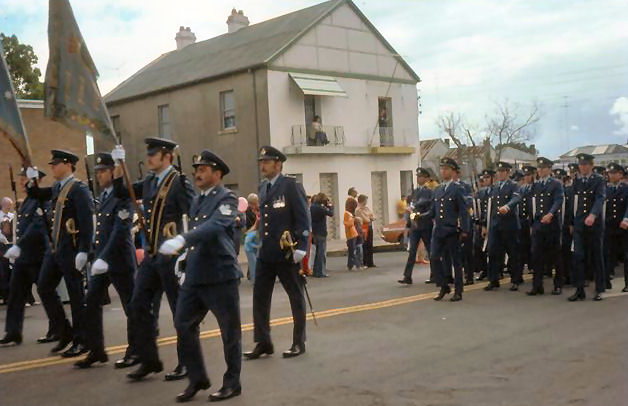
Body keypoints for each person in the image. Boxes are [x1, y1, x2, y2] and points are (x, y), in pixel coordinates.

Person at [159, 150, 242, 402]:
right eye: (196, 169)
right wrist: (184, 256)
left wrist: (183, 239)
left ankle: (232, 383)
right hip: (195, 274)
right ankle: (197, 378)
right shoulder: (196, 200)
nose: (197, 173)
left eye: (203, 169)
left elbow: (215, 226)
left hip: (220, 274)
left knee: (230, 332)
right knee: (182, 323)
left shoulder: (227, 198)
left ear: (217, 174)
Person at [111, 138, 195, 380]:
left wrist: (188, 249)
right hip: (151, 256)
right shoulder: (148, 181)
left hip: (172, 256)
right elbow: (121, 190)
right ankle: (149, 359)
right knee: (137, 304)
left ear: (167, 156)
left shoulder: (178, 182)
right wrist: (119, 163)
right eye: (148, 153)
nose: (149, 157)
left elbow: (195, 215)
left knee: (181, 312)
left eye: (154, 154)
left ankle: (187, 363)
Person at [244, 146, 310, 360]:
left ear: (278, 164)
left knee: (295, 296)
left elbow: (303, 217)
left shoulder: (290, 185)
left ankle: (298, 342)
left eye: (266, 161)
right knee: (260, 297)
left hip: (286, 252)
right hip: (266, 252)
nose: (262, 165)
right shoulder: (263, 187)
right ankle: (263, 342)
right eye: (261, 161)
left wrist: (302, 247)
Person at [25, 150, 94, 358]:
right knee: (44, 287)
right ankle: (65, 331)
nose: (53, 167)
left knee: (76, 297)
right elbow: (36, 195)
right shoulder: (57, 187)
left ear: (68, 165)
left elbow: (87, 222)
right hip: (55, 250)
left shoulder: (78, 190)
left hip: (72, 251)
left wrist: (84, 251)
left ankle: (83, 340)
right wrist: (31, 180)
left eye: (55, 164)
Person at [74, 152, 138, 368]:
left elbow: (121, 231)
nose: (99, 175)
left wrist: (104, 258)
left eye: (103, 171)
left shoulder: (123, 195)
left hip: (119, 260)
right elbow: (100, 230)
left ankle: (135, 350)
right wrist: (88, 251)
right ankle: (96, 349)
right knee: (90, 303)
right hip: (102, 259)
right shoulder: (103, 196)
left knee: (131, 307)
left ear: (113, 171)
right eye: (97, 172)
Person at [1, 169, 49, 346]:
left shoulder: (40, 200)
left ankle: (60, 328)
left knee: (46, 292)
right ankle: (13, 332)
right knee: (15, 295)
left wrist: (18, 246)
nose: (21, 182)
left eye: (24, 179)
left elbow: (37, 227)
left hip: (36, 256)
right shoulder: (28, 201)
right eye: (21, 179)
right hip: (23, 257)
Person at [430, 158, 470, 302]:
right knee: (434, 257)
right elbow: (432, 211)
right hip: (439, 230)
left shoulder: (457, 188)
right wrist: (418, 216)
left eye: (446, 169)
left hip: (452, 230)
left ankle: (458, 291)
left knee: (456, 262)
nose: (443, 171)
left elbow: (463, 211)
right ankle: (443, 285)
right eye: (442, 169)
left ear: (453, 171)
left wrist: (465, 230)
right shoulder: (438, 189)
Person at [568, 153, 606, 301]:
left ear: (591, 165)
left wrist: (593, 215)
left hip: (594, 224)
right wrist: (571, 222)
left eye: (585, 164)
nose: (582, 167)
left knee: (596, 256)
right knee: (578, 256)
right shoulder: (576, 180)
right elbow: (573, 202)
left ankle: (599, 289)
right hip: (579, 225)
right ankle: (579, 290)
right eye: (580, 165)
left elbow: (600, 198)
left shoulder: (599, 180)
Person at [527, 157, 564, 296]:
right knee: (536, 256)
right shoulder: (535, 185)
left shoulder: (556, 184)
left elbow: (558, 200)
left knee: (555, 255)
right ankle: (537, 286)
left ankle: (558, 285)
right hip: (538, 225)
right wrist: (532, 223)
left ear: (549, 169)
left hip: (552, 224)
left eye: (543, 168)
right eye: (538, 168)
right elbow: (532, 204)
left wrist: (551, 214)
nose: (540, 170)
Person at [485, 161, 522, 292]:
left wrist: (507, 206)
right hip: (496, 225)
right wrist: (487, 224)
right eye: (498, 172)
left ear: (508, 172)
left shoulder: (514, 185)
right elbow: (490, 207)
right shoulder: (494, 188)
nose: (500, 174)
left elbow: (516, 198)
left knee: (513, 253)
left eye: (502, 171)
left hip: (510, 224)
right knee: (493, 253)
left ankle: (515, 280)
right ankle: (493, 280)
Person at [399, 167, 433, 285]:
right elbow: (411, 207)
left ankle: (434, 274)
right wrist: (408, 224)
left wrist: (414, 210)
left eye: (421, 176)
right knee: (412, 251)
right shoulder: (415, 192)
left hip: (425, 225)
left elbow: (427, 207)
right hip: (415, 226)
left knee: (430, 250)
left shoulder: (429, 192)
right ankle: (407, 276)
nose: (419, 178)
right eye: (418, 176)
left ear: (426, 178)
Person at [603, 162, 628, 293]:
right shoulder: (605, 189)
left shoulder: (626, 188)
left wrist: (626, 218)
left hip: (623, 226)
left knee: (626, 254)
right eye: (609, 173)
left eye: (614, 173)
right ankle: (606, 281)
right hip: (609, 226)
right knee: (607, 254)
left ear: (620, 174)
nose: (611, 176)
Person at [474, 169, 495, 281]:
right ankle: (484, 269)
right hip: (483, 223)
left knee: (492, 249)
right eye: (484, 178)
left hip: (493, 223)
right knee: (479, 247)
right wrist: (480, 223)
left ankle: (496, 271)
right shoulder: (480, 193)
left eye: (487, 177)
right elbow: (479, 209)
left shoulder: (496, 190)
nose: (485, 180)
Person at [310, 193, 333, 278]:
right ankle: (321, 272)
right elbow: (331, 213)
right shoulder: (320, 208)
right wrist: (330, 205)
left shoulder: (312, 207)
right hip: (321, 232)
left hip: (314, 231)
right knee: (321, 253)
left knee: (317, 253)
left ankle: (316, 271)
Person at [519, 165, 537, 276]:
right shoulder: (522, 188)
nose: (526, 177)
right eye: (525, 175)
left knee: (533, 245)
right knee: (523, 245)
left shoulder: (536, 187)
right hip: (523, 220)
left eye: (529, 175)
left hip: (532, 220)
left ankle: (533, 266)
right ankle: (525, 266)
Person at [356, 194, 376, 267]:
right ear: (362, 200)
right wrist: (369, 218)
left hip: (369, 227)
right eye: (365, 200)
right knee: (365, 244)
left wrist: (370, 217)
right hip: (363, 228)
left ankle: (370, 262)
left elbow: (373, 216)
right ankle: (364, 261)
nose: (366, 202)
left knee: (370, 244)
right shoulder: (358, 209)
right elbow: (366, 219)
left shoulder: (366, 208)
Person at [343, 198, 361, 270]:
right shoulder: (346, 214)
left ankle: (350, 265)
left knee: (352, 250)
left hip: (353, 233)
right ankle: (355, 265)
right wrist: (354, 219)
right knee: (352, 251)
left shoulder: (350, 214)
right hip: (350, 234)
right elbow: (347, 223)